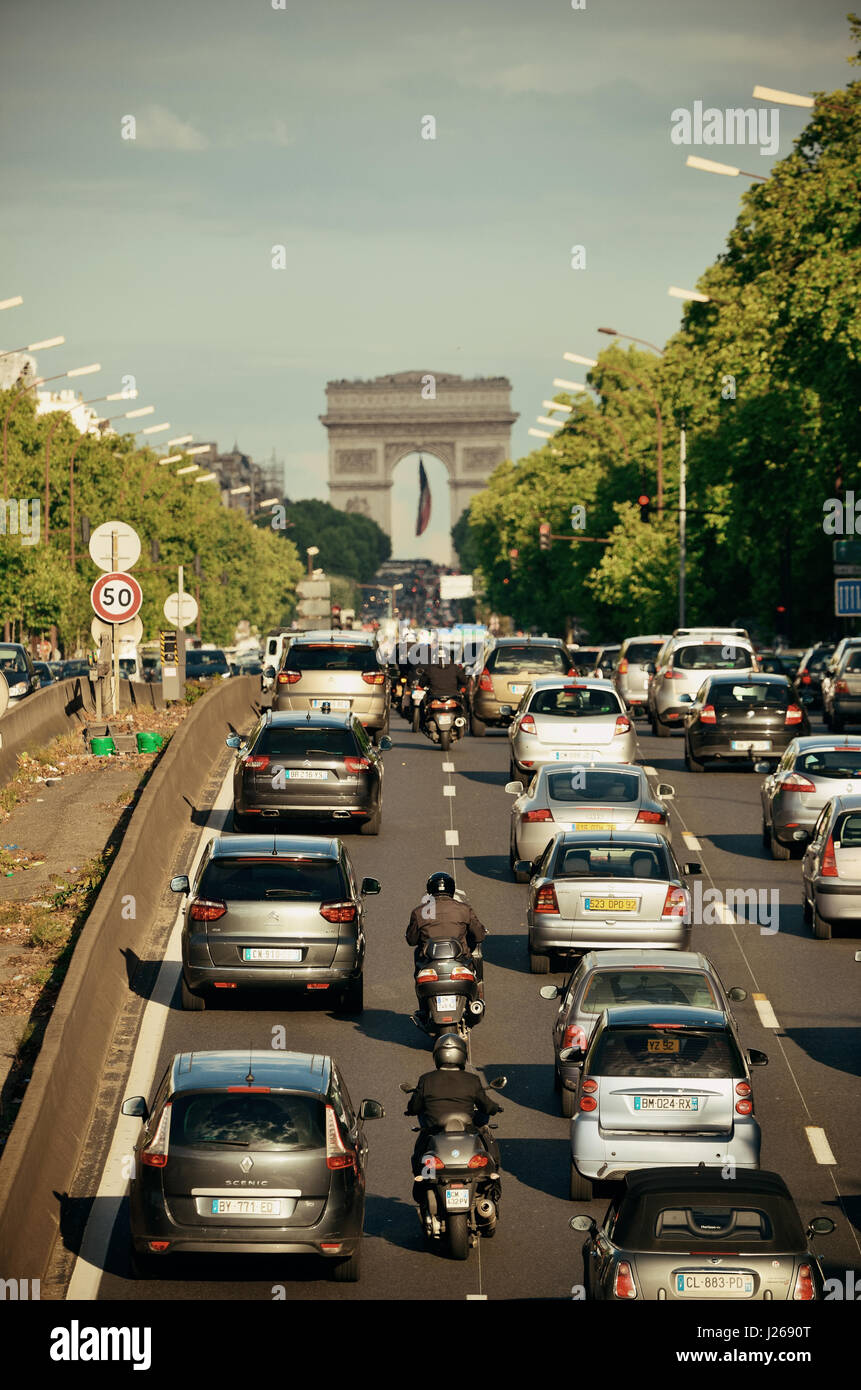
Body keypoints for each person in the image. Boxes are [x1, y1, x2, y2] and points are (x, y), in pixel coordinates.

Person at [407, 1033, 502, 1195]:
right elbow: (486, 1106)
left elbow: (414, 1107)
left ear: (437, 1055)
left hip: (435, 1133)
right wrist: (495, 1108)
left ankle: (421, 1181)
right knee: (486, 1137)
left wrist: (411, 1109)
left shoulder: (426, 1080)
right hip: (467, 1132)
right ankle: (494, 1177)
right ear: (462, 1054)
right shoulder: (472, 1080)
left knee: (420, 1153)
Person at [406, 872, 487, 993]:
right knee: (476, 952)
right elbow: (479, 936)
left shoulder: (419, 912)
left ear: (430, 891)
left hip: (429, 964)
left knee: (418, 952)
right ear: (452, 889)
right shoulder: (464, 909)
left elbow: (411, 940)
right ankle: (477, 992)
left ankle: (423, 1006)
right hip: (460, 961)